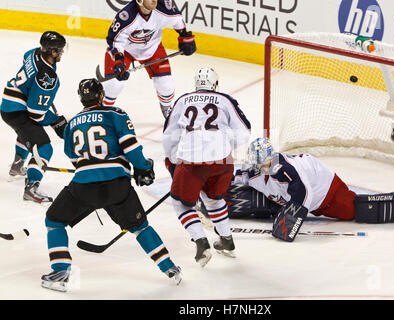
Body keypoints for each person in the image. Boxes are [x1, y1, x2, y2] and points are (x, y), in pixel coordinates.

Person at [40, 78, 181, 292]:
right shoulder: (116, 114)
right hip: (117, 186)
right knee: (140, 227)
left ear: (81, 98)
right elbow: (130, 147)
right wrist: (142, 168)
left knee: (54, 220)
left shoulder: (71, 125)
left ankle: (60, 272)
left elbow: (73, 157)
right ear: (100, 96)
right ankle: (170, 268)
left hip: (83, 186)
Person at [225, 138, 394, 242]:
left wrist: (289, 219)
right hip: (292, 196)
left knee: (359, 210)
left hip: (326, 189)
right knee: (256, 201)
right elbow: (232, 178)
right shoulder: (253, 171)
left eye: (266, 163)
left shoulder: (288, 169)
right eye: (260, 166)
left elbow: (305, 194)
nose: (265, 169)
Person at [162, 67, 251, 267]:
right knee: (213, 199)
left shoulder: (183, 100)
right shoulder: (226, 100)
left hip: (192, 161)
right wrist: (224, 148)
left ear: (196, 84)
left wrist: (172, 160)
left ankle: (201, 242)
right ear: (215, 85)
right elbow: (244, 132)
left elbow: (168, 135)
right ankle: (227, 240)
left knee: (180, 203)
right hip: (222, 163)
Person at [0, 30, 68, 203]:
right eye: (59, 50)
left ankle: (16, 166)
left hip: (9, 102)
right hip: (17, 111)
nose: (61, 53)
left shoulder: (34, 52)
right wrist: (55, 121)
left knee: (26, 132)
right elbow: (36, 113)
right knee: (44, 147)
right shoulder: (47, 78)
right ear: (52, 52)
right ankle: (31, 188)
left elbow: (25, 58)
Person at [102, 0, 196, 119]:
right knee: (114, 85)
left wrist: (184, 36)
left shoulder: (162, 8)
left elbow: (177, 20)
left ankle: (166, 107)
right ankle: (103, 110)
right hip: (126, 51)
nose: (154, 0)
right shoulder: (126, 16)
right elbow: (114, 41)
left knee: (166, 85)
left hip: (152, 49)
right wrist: (119, 62)